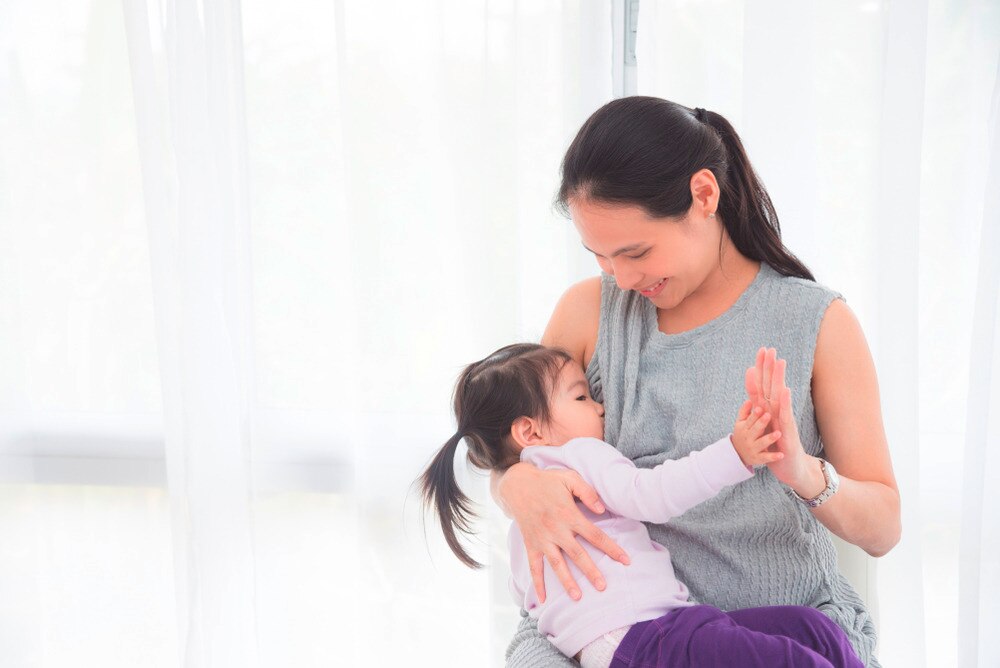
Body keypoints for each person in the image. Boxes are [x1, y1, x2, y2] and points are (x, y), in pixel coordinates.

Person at [492, 97, 900, 668]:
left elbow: (883, 528)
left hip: (777, 637)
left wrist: (803, 472)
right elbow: (519, 440)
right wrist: (514, 486)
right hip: (619, 633)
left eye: (636, 252)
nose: (624, 279)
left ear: (703, 196)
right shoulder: (587, 313)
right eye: (602, 257)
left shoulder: (817, 323)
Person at [418, 343, 864, 668]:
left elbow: (534, 603)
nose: (601, 407)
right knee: (799, 658)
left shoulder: (523, 527)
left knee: (816, 629)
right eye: (581, 397)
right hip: (646, 642)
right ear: (530, 433)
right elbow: (653, 494)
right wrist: (736, 453)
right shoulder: (579, 456)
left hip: (645, 641)